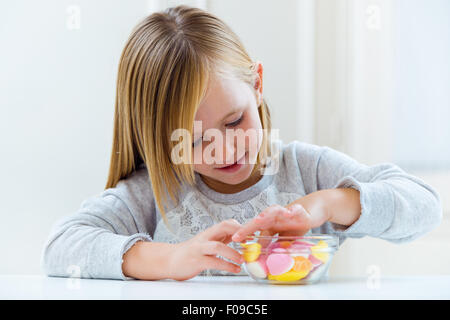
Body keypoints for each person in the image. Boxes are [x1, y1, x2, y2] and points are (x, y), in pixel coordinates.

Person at [41, 5, 442, 281]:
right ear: (158, 140)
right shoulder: (155, 193)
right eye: (194, 140)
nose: (225, 149)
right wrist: (171, 258)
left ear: (258, 85)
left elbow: (425, 205)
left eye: (234, 120)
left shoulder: (305, 171)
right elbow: (61, 247)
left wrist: (326, 204)